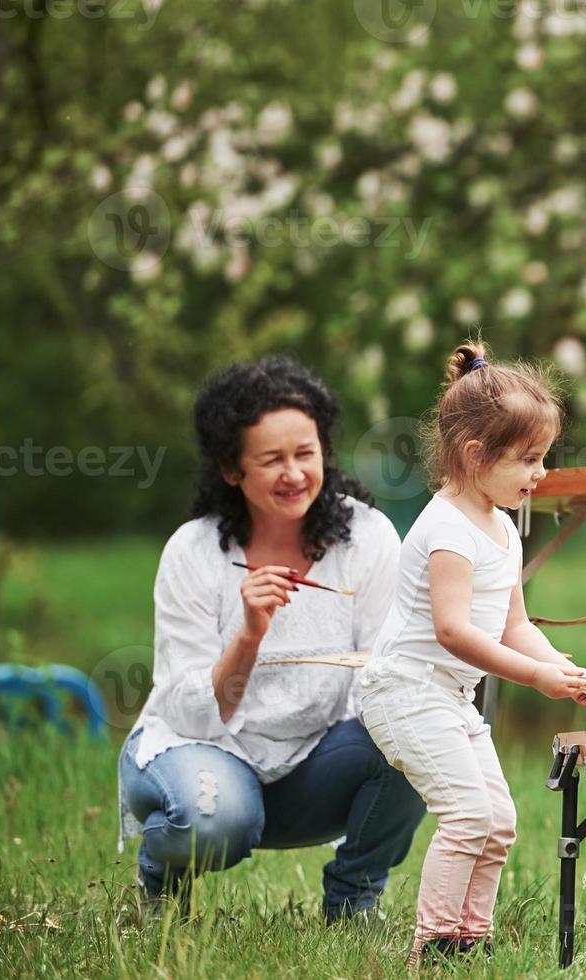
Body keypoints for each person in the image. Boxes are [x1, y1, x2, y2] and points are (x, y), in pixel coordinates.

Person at [118, 356, 426, 921]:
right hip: (202, 754)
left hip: (310, 766)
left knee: (417, 735)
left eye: (305, 454)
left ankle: (354, 902)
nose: (294, 474)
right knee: (214, 819)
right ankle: (158, 884)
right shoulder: (193, 552)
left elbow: (383, 676)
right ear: (231, 468)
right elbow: (188, 713)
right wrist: (249, 635)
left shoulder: (367, 538)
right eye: (272, 460)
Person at [357, 339, 586, 965]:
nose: (540, 474)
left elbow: (513, 622)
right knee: (468, 816)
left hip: (448, 696)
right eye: (528, 459)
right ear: (476, 455)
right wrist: (534, 677)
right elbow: (455, 632)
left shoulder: (501, 526)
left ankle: (470, 943)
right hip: (407, 691)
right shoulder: (446, 529)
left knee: (497, 822)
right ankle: (435, 946)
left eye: (543, 458)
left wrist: (560, 668)